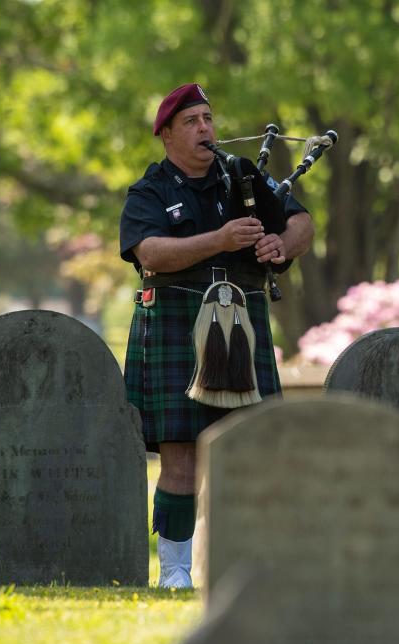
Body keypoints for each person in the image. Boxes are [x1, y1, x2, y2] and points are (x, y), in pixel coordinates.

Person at [118, 83, 314, 588]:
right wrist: (220, 240)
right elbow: (151, 254)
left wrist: (280, 243)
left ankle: (250, 568)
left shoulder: (243, 177)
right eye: (191, 121)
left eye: (208, 118)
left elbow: (303, 223)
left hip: (242, 322)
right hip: (177, 319)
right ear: (165, 135)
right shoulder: (150, 192)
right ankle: (176, 572)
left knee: (250, 450)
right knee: (180, 450)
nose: (205, 128)